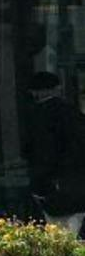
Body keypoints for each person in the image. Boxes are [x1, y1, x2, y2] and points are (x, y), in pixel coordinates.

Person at [26, 72, 85, 236]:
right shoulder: (73, 113)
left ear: (35, 92)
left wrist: (39, 186)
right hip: (78, 186)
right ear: (58, 88)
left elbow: (43, 154)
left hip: (54, 188)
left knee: (59, 236)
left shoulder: (39, 116)